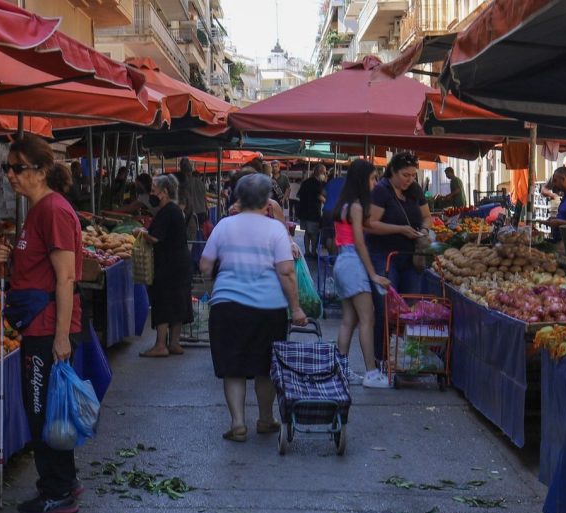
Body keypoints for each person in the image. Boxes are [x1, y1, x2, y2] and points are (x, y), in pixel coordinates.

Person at [0, 134, 85, 513]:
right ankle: (64, 481)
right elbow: (37, 272)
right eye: (7, 167)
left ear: (41, 171)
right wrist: (4, 259)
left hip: (48, 330)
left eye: (17, 168)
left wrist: (61, 335)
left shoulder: (53, 211)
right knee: (47, 408)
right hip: (39, 327)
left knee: (43, 409)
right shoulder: (37, 211)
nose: (10, 175)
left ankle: (57, 491)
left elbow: (65, 278)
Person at [200, 174, 308, 442]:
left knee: (232, 367)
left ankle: (237, 423)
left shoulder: (224, 226)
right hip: (268, 308)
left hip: (227, 306)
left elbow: (204, 265)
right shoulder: (275, 230)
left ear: (238, 198)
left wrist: (217, 288)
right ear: (266, 202)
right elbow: (286, 272)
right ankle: (265, 418)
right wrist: (296, 308)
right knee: (265, 366)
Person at [331, 159, 391, 389]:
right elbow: (359, 243)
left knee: (349, 320)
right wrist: (373, 274)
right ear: (362, 179)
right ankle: (371, 372)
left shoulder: (344, 205)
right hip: (353, 263)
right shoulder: (356, 207)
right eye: (373, 178)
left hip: (342, 263)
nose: (376, 182)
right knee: (368, 319)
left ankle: (341, 370)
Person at [366, 152, 431, 359]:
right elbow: (371, 224)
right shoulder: (381, 191)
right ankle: (383, 357)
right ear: (393, 171)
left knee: (411, 307)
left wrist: (425, 231)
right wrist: (400, 229)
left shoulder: (415, 190)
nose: (410, 179)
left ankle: (406, 356)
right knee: (386, 308)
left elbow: (427, 217)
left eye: (413, 175)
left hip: (411, 257)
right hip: (384, 256)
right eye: (405, 175)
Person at [138, 174, 192, 357]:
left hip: (168, 264)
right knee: (178, 301)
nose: (152, 194)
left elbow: (154, 238)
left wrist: (140, 232)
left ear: (164, 192)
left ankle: (161, 345)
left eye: (154, 191)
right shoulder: (175, 210)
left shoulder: (167, 211)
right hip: (181, 262)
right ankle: (174, 343)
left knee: (163, 301)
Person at [296, 164, 328, 258]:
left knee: (307, 232)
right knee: (313, 233)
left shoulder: (306, 182)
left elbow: (298, 195)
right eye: (324, 172)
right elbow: (320, 196)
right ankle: (313, 252)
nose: (325, 174)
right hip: (313, 212)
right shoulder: (318, 184)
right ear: (319, 172)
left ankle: (307, 251)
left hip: (303, 211)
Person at [178, 158, 209, 241]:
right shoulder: (200, 182)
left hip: (191, 214)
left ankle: (194, 253)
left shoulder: (183, 184)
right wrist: (206, 211)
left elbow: (183, 201)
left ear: (182, 170)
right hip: (201, 212)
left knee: (191, 239)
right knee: (199, 237)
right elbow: (204, 199)